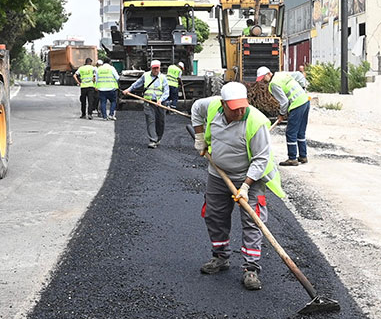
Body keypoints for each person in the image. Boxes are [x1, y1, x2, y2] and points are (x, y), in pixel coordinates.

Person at [191, 82, 284, 290]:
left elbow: (261, 159)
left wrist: (246, 186)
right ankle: (220, 257)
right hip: (218, 174)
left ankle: (251, 268)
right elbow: (196, 108)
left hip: (249, 176)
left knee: (253, 220)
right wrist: (199, 138)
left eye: (243, 106)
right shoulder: (212, 106)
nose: (240, 111)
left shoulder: (256, 121)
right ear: (223, 104)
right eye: (234, 108)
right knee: (215, 215)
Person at [256, 65, 310, 166]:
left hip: (297, 104)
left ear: (269, 74)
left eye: (263, 78)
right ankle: (303, 156)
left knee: (291, 132)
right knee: (300, 131)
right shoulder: (281, 74)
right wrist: (302, 88)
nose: (262, 81)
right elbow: (299, 75)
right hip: (305, 101)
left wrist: (281, 114)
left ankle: (292, 158)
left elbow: (284, 102)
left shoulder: (273, 84)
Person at [123, 60, 168, 148]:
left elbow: (166, 91)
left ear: (160, 68)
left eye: (157, 68)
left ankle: (158, 138)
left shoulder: (163, 78)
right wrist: (128, 90)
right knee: (150, 120)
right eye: (154, 68)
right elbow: (137, 84)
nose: (156, 70)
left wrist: (161, 100)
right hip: (148, 102)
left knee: (160, 121)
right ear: (151, 68)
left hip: (160, 103)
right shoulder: (146, 75)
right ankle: (152, 140)